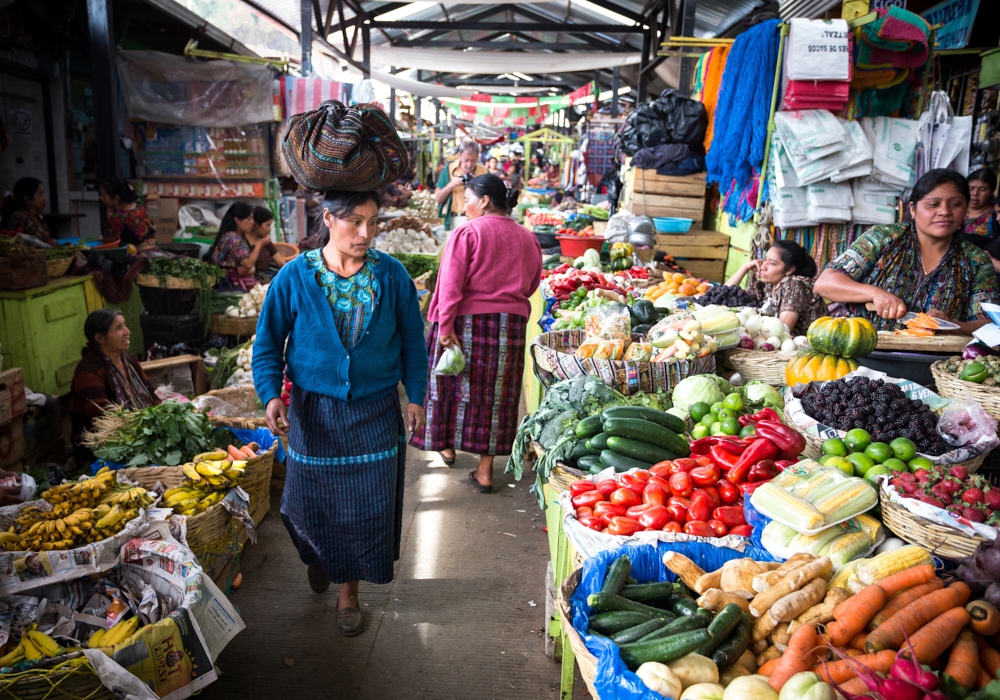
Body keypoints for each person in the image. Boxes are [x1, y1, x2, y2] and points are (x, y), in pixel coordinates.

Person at [253, 189, 428, 637]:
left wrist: (416, 398)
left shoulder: (392, 277)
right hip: (314, 412)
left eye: (374, 222)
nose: (366, 233)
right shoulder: (294, 277)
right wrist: (271, 394)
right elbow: (268, 343)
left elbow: (413, 343)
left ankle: (347, 593)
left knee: (363, 509)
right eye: (355, 222)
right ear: (328, 219)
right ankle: (318, 554)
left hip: (374, 411)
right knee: (300, 504)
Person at [411, 174, 542, 492]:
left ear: (484, 200)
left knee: (449, 386)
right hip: (510, 326)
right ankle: (485, 471)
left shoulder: (467, 232)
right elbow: (534, 282)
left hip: (465, 323)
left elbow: (451, 285)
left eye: (468, 199)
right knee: (498, 398)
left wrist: (445, 327)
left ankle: (448, 447)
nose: (465, 206)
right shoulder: (528, 237)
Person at [814, 168, 997, 334]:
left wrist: (949, 325)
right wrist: (875, 293)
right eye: (933, 204)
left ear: (965, 209)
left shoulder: (975, 260)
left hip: (936, 363)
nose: (944, 211)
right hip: (864, 351)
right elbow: (825, 283)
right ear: (913, 209)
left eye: (955, 204)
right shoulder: (885, 237)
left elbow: (989, 324)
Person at [69, 309, 159, 468]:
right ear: (100, 338)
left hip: (139, 432)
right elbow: (103, 417)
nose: (127, 332)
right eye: (118, 328)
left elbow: (151, 393)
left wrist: (162, 416)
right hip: (105, 446)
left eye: (124, 325)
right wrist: (143, 427)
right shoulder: (89, 370)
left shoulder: (129, 361)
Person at [726, 239, 828, 336]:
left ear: (790, 270)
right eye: (765, 259)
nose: (763, 267)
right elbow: (722, 294)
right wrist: (745, 267)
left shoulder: (794, 285)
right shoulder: (764, 283)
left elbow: (782, 331)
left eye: (772, 263)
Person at [210, 202, 286, 290]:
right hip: (229, 284)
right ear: (237, 220)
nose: (252, 222)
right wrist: (259, 245)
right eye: (249, 219)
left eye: (252, 219)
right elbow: (248, 264)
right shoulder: (233, 238)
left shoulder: (238, 237)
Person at [434, 140, 488, 229]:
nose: (469, 164)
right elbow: (438, 199)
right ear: (459, 155)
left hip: (478, 220)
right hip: (455, 219)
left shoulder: (483, 171)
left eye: (473, 161)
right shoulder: (448, 170)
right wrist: (451, 185)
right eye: (466, 160)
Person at [98, 178, 158, 251]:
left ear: (116, 198)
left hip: (134, 255)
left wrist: (109, 219)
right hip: (151, 248)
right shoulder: (139, 208)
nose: (101, 198)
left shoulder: (119, 217)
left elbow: (109, 243)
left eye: (103, 195)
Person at [1, 177, 52, 244]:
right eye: (40, 194)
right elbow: (45, 242)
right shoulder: (20, 217)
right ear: (27, 199)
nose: (45, 198)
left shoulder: (36, 216)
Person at [964, 168, 997, 236]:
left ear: (992, 191)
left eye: (982, 189)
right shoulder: (958, 211)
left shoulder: (996, 216)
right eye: (971, 188)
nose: (975, 193)